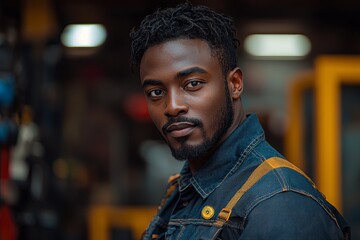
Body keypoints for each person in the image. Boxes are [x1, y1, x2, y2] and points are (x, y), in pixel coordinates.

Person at [129, 3, 350, 239]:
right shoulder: (182, 190)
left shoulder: (280, 204)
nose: (172, 106)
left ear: (235, 84)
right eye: (156, 92)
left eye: (192, 84)